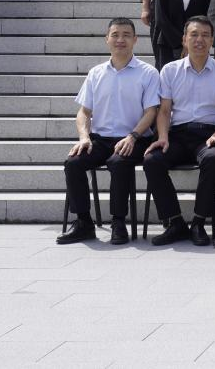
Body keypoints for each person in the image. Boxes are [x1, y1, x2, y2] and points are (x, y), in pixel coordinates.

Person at [57, 18, 160, 245]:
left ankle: (118, 221)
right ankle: (83, 222)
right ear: (107, 39)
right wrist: (84, 137)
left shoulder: (148, 73)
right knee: (73, 163)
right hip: (101, 139)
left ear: (135, 40)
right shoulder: (96, 73)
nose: (120, 40)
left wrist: (133, 136)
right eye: (115, 35)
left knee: (118, 162)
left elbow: (151, 112)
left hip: (135, 138)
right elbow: (84, 112)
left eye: (126, 35)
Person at [141, 16, 215, 246]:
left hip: (209, 135)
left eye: (205, 35)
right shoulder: (170, 70)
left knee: (212, 159)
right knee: (152, 160)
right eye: (194, 35)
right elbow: (164, 111)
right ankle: (175, 222)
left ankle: (198, 222)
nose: (199, 40)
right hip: (177, 135)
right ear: (184, 39)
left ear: (212, 41)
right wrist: (163, 136)